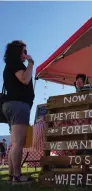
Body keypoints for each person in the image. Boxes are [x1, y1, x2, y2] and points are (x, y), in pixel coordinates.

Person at [2, 40, 35, 184]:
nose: (26, 54)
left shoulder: (10, 65)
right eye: (24, 51)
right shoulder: (16, 64)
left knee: (15, 143)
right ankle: (17, 176)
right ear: (18, 52)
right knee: (18, 143)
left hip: (11, 106)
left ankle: (11, 176)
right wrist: (31, 63)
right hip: (18, 105)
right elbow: (24, 79)